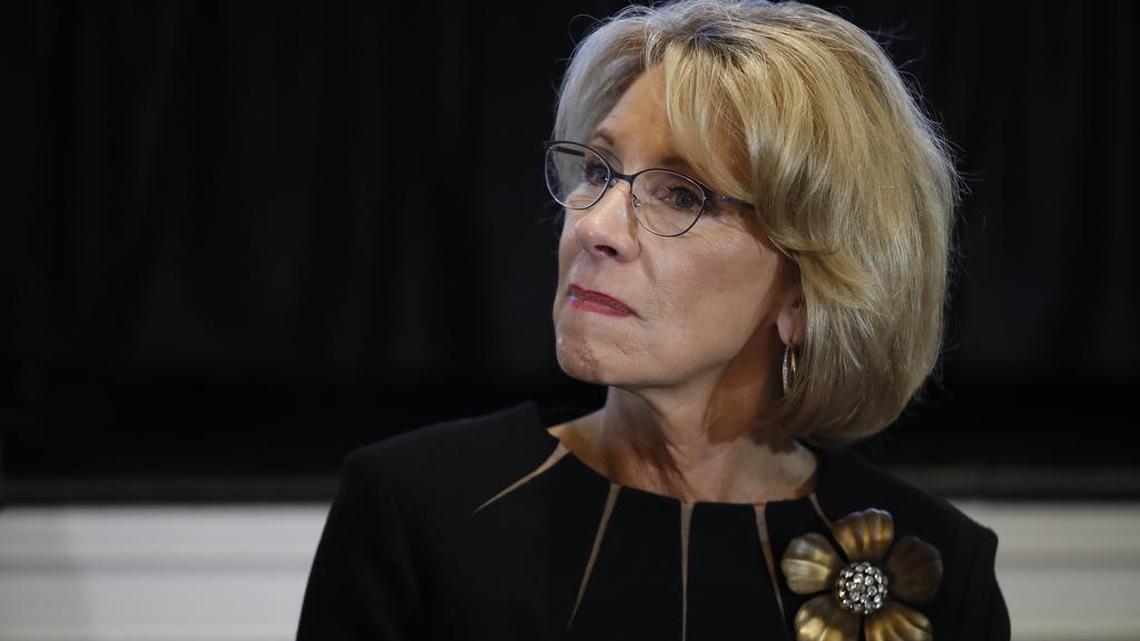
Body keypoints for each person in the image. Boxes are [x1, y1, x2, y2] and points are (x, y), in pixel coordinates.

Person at [296, 1, 1010, 639]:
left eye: (681, 194)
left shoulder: (940, 570)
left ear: (807, 288)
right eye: (600, 171)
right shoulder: (416, 510)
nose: (595, 226)